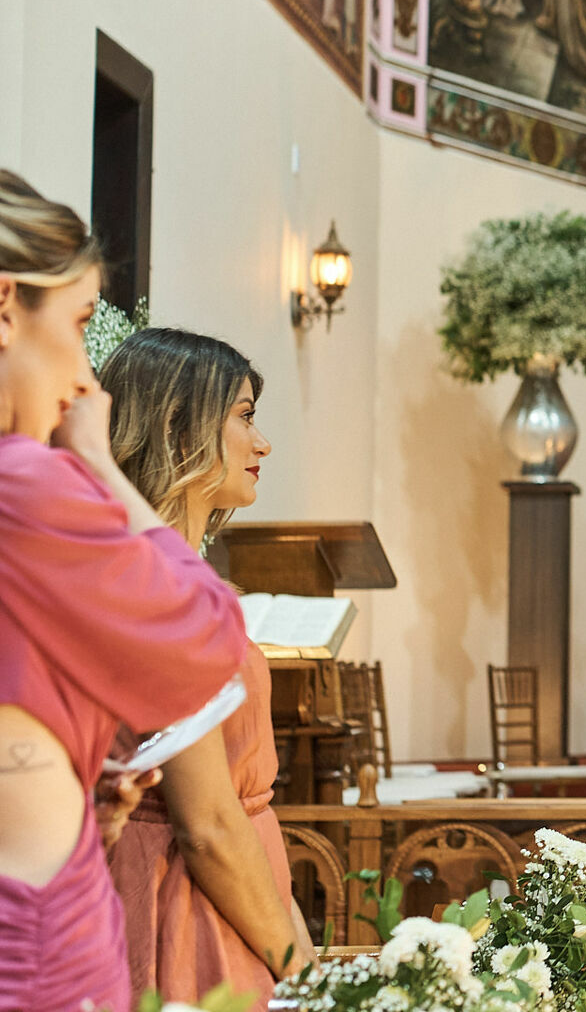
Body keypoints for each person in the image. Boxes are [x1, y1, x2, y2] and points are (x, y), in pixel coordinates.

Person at [0, 171, 251, 1012]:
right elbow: (205, 641)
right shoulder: (23, 482)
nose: (84, 377)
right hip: (38, 946)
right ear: (6, 307)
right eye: (74, 324)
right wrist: (101, 465)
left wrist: (67, 791)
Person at [102, 329, 316, 1004]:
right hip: (186, 904)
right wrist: (307, 979)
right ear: (176, 425)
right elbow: (209, 824)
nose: (263, 443)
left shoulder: (155, 568)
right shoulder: (158, 586)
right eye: (245, 415)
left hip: (231, 890)